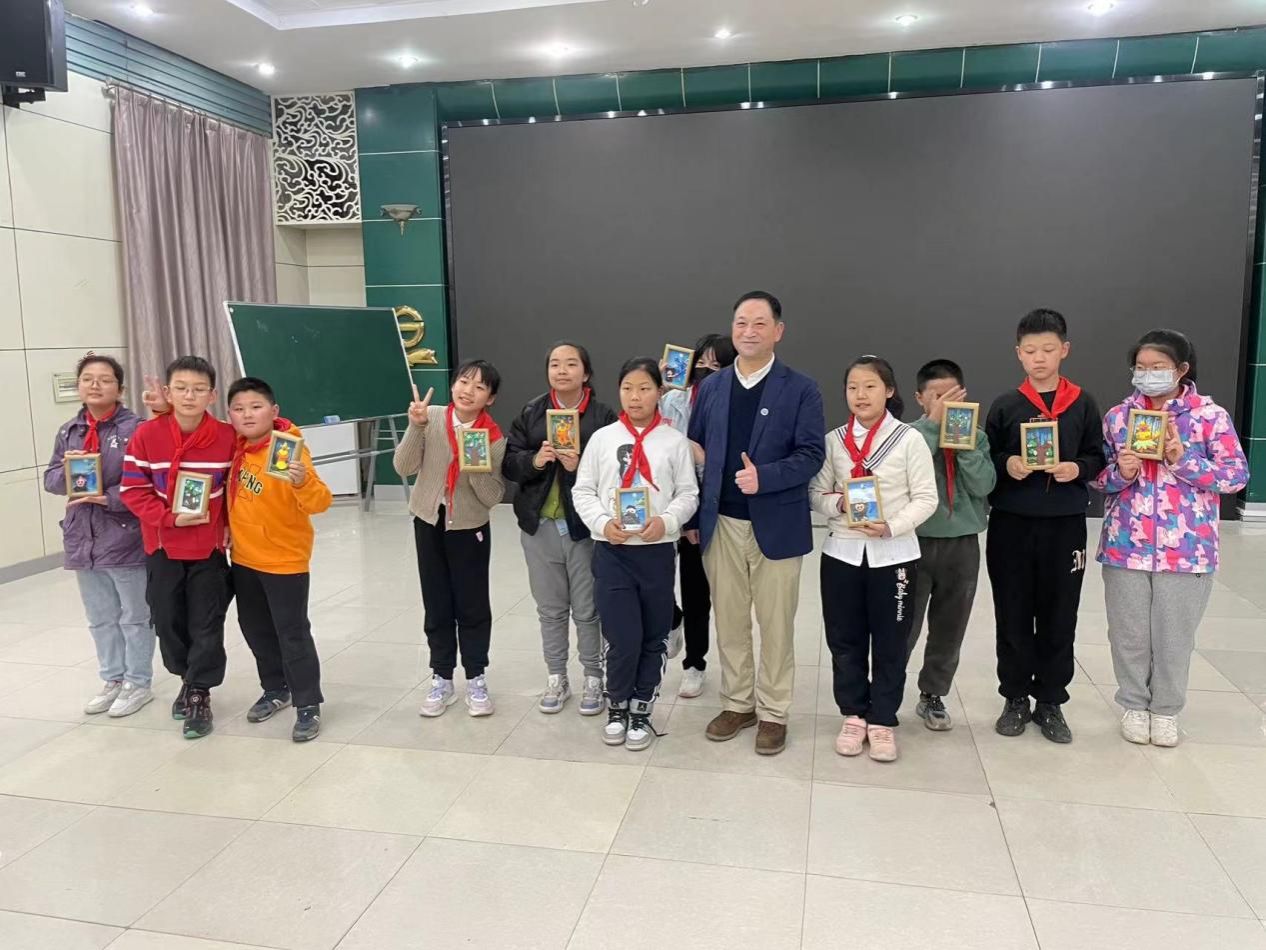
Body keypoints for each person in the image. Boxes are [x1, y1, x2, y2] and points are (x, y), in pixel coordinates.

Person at [1095, 330, 1248, 747]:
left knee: (1174, 636)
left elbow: (1235, 477)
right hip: (1125, 545)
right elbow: (1098, 477)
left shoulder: (1209, 417)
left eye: (1158, 367)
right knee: (1128, 634)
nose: (1148, 375)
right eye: (1140, 368)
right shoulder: (1118, 417)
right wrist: (1121, 472)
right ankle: (1133, 704)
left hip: (1187, 549)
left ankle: (1165, 710)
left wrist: (1183, 459)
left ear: (1181, 369)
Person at [688, 291, 825, 756]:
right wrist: (693, 515)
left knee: (776, 624)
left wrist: (764, 477)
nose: (749, 331)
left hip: (777, 525)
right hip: (721, 524)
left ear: (778, 331)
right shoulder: (712, 387)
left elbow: (812, 455)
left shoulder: (801, 388)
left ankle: (773, 712)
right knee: (729, 620)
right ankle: (737, 703)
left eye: (759, 323)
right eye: (741, 323)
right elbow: (696, 450)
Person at [985, 309, 1105, 744]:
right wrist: (1008, 464)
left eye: (1048, 350)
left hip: (1064, 525)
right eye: (1031, 350)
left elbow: (1098, 454)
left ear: (1064, 350)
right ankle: (1015, 697)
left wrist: (1077, 468)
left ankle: (1051, 700)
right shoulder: (1005, 405)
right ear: (1018, 353)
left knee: (1059, 614)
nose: (1039, 358)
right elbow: (986, 456)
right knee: (1012, 611)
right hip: (1011, 524)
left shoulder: (1083, 403)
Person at [809, 357, 936, 762]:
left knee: (890, 641)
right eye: (852, 387)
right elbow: (815, 494)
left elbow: (927, 498)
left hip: (894, 555)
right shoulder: (833, 441)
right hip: (842, 554)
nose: (860, 395)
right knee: (844, 639)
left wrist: (891, 526)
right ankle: (853, 714)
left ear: (889, 391)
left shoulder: (909, 439)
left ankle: (882, 719)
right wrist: (839, 503)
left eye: (869, 386)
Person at [572, 358, 699, 751]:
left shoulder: (674, 441)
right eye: (628, 388)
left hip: (656, 553)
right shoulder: (602, 439)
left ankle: (642, 705)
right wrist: (601, 523)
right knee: (621, 636)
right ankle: (618, 705)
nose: (635, 396)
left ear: (659, 392)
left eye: (644, 388)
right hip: (612, 552)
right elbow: (583, 490)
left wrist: (666, 521)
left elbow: (688, 493)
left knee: (653, 635)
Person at [122, 356, 236, 738]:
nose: (190, 396)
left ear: (212, 395)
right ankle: (187, 677)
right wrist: (168, 518)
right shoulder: (147, 435)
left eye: (199, 389)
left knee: (207, 622)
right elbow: (133, 489)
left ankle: (200, 691)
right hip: (162, 546)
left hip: (208, 550)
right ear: (168, 393)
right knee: (168, 622)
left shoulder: (227, 436)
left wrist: (228, 524)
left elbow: (236, 488)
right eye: (182, 388)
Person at [503, 342, 618, 716]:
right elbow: (509, 464)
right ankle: (556, 677)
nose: (562, 370)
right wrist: (536, 460)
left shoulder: (602, 416)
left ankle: (594, 677)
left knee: (587, 609)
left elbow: (616, 472)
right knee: (550, 609)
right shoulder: (531, 412)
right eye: (555, 364)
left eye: (571, 364)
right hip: (539, 526)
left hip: (583, 528)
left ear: (586, 373)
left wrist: (579, 466)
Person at [43, 354, 155, 718]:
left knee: (134, 616)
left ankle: (138, 682)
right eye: (87, 379)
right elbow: (51, 481)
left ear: (120, 389)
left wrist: (108, 498)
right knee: (100, 616)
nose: (95, 385)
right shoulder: (69, 431)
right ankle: (113, 678)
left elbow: (150, 483)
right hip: (83, 537)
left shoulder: (137, 429)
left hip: (124, 535)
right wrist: (68, 470)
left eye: (105, 379)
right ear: (79, 386)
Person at [394, 361, 506, 718]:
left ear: (490, 398)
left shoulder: (493, 437)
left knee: (472, 606)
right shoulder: (430, 417)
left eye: (479, 387)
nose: (468, 391)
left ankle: (476, 677)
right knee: (437, 603)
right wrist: (415, 426)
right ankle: (441, 677)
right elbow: (403, 467)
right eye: (463, 381)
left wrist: (477, 467)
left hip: (469, 527)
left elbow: (492, 497)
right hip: (429, 520)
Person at [226, 377, 334, 742]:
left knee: (292, 634)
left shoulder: (288, 449)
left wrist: (302, 481)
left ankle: (308, 703)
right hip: (244, 558)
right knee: (255, 629)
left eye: (256, 407)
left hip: (285, 561)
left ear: (274, 411)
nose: (247, 415)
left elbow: (320, 502)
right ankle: (275, 688)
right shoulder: (236, 447)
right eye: (239, 409)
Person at [906, 359, 996, 730]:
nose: (945, 404)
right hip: (913, 543)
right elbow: (901, 480)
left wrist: (964, 446)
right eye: (936, 397)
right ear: (920, 399)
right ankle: (884, 691)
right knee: (903, 625)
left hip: (961, 545)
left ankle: (933, 693)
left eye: (951, 396)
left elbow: (984, 485)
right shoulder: (909, 436)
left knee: (950, 626)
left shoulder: (976, 436)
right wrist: (933, 427)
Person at [661, 333, 736, 699]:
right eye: (701, 364)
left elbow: (720, 466)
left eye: (716, 365)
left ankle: (695, 663)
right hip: (662, 506)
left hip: (703, 510)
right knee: (653, 583)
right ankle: (671, 620)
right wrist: (657, 389)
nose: (706, 371)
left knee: (696, 592)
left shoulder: (731, 402)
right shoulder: (671, 399)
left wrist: (694, 520)